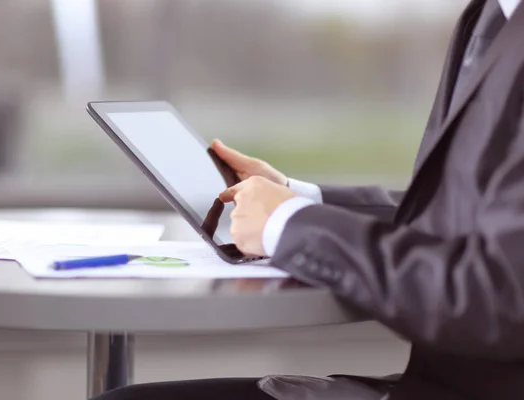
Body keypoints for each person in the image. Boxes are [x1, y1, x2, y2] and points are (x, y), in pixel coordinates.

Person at [95, 0, 524, 399]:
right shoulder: (491, 13)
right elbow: (468, 224)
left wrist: (290, 224)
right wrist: (297, 199)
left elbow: (499, 298)